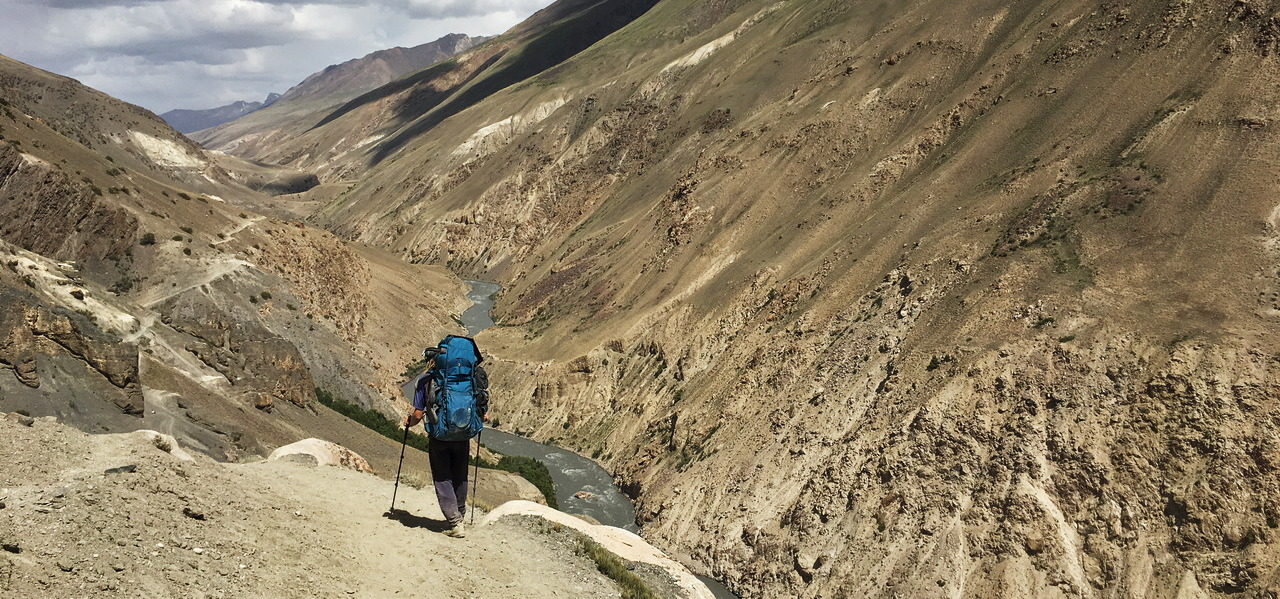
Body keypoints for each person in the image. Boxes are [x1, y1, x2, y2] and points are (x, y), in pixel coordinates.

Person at [405, 338, 489, 538]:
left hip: (440, 436)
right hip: (463, 434)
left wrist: (409, 423)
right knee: (460, 474)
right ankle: (460, 514)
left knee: (442, 477)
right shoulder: (471, 379)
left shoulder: (426, 380)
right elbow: (482, 408)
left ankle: (454, 522)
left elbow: (417, 415)